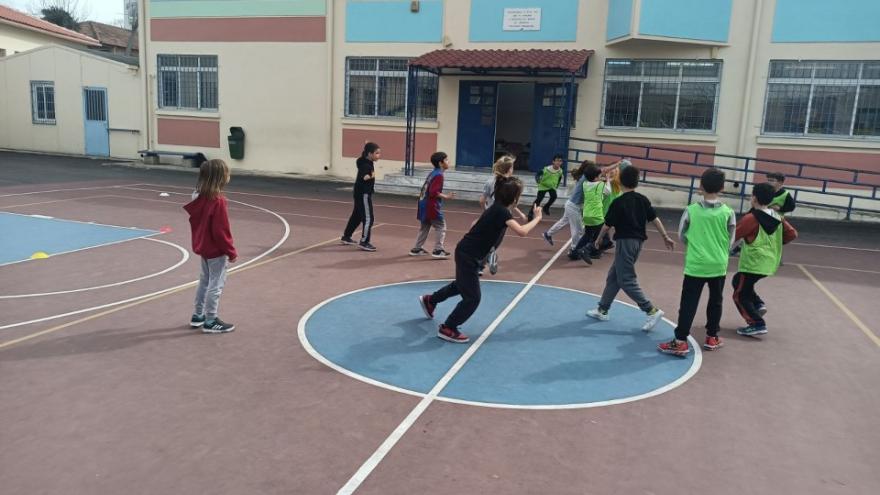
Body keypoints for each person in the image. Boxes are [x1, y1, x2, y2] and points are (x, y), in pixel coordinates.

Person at [419, 177, 542, 343]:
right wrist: (538, 218)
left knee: (461, 286)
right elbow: (522, 232)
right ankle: (448, 327)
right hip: (468, 255)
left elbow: (480, 226)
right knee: (473, 298)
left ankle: (430, 300)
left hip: (470, 253)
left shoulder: (498, 209)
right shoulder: (502, 212)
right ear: (515, 198)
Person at [586, 165, 676, 331]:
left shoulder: (618, 202)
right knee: (614, 276)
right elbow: (655, 219)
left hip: (625, 243)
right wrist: (665, 236)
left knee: (626, 279)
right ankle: (602, 309)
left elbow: (607, 225)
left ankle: (651, 310)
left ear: (619, 182)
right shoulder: (642, 199)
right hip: (638, 244)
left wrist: (598, 240)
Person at [658, 168, 736, 356]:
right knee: (716, 301)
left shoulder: (691, 210)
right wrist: (719, 251)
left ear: (701, 186)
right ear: (722, 188)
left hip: (696, 264)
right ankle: (712, 337)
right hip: (718, 264)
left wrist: (696, 246)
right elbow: (731, 239)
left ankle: (681, 341)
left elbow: (682, 235)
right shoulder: (728, 212)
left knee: (688, 303)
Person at [731, 182, 798, 337]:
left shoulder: (751, 218)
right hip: (769, 262)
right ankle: (758, 304)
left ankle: (756, 323)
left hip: (753, 263)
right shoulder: (778, 217)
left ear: (754, 198)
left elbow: (733, 236)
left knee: (739, 295)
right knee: (739, 283)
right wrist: (775, 243)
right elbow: (792, 234)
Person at [184, 159, 237, 334]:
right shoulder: (218, 201)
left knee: (204, 281)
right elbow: (221, 231)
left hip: (203, 247)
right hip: (216, 250)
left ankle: (198, 315)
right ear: (221, 177)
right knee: (216, 283)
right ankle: (211, 320)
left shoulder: (197, 196)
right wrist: (231, 251)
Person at [479, 155, 527, 275]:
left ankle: (481, 264)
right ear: (509, 169)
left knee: (487, 242)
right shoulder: (510, 184)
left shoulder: (490, 181)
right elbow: (512, 202)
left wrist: (485, 211)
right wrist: (521, 214)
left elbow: (481, 200)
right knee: (493, 243)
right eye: (512, 167)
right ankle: (485, 260)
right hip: (504, 218)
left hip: (490, 215)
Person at [542, 160, 592, 260]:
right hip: (573, 206)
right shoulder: (585, 178)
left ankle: (548, 234)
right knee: (577, 229)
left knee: (564, 221)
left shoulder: (584, 177)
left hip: (571, 204)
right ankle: (574, 250)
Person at [411, 151, 456, 258]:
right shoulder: (439, 175)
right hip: (431, 205)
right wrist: (447, 196)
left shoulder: (433, 173)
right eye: (446, 160)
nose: (448, 161)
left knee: (425, 226)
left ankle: (416, 249)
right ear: (441, 163)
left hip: (423, 203)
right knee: (441, 226)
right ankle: (438, 250)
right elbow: (433, 192)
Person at [341, 142, 380, 252]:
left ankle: (346, 236)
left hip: (358, 193)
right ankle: (364, 242)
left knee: (357, 216)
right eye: (376, 153)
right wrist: (371, 175)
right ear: (369, 154)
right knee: (368, 218)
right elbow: (364, 177)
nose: (378, 156)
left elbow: (359, 159)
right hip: (363, 194)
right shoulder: (366, 165)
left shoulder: (362, 160)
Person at [529, 154, 565, 220]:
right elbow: (538, 174)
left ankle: (546, 207)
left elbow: (559, 178)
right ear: (553, 161)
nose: (558, 162)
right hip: (543, 186)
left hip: (552, 187)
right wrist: (538, 180)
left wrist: (556, 185)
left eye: (560, 161)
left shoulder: (560, 171)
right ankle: (531, 213)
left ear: (562, 162)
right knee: (539, 199)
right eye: (557, 161)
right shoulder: (546, 169)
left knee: (554, 196)